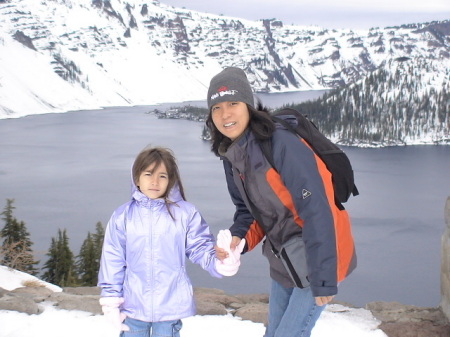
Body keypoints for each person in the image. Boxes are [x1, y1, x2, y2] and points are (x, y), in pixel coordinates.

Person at [206, 67, 357, 337]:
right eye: (216, 107)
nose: (225, 114)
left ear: (249, 106)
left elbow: (318, 209)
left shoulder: (280, 142)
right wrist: (238, 239)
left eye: (233, 103)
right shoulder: (232, 156)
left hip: (319, 255)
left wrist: (323, 278)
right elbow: (248, 212)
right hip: (285, 257)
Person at [97, 146, 244, 337]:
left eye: (162, 176)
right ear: (137, 178)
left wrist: (220, 261)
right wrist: (110, 298)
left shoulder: (184, 213)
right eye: (148, 174)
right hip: (133, 304)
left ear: (171, 180)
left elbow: (199, 247)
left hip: (171, 305)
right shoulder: (123, 216)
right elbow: (113, 258)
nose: (155, 181)